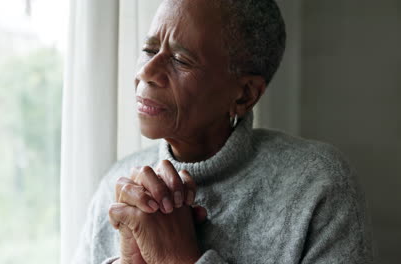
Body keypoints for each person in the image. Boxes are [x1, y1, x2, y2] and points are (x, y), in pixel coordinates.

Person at [72, 0, 373, 263]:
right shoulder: (118, 186)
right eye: (149, 49)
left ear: (244, 95)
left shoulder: (316, 186)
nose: (146, 72)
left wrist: (178, 259)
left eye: (180, 60)